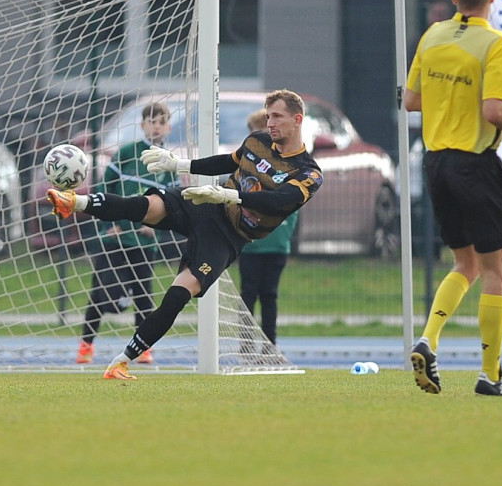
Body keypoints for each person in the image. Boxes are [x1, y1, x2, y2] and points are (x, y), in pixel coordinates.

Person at [47, 89, 322, 380]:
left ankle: (121, 361)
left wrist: (229, 195)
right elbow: (228, 162)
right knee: (147, 206)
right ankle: (74, 202)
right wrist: (179, 165)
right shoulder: (258, 141)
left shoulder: (308, 172)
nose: (270, 123)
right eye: (267, 116)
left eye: (277, 117)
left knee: (178, 295)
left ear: (297, 119)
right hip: (207, 205)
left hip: (228, 237)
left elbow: (279, 201)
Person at [404, 0, 502, 397]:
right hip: (476, 165)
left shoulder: (432, 36)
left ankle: (429, 338)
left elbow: (411, 101)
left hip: (436, 162)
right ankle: (490, 376)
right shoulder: (496, 43)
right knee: (495, 270)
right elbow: (495, 112)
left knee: (464, 265)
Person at [75, 101, 178, 365]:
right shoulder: (127, 154)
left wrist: (155, 225)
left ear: (168, 126)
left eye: (161, 121)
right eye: (151, 121)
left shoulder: (170, 164)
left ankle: (143, 348)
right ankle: (86, 344)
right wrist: (108, 223)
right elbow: (105, 189)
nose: (156, 126)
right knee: (101, 294)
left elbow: (175, 204)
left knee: (144, 296)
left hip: (143, 243)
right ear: (142, 125)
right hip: (115, 239)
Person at [237, 108, 298, 350]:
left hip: (276, 244)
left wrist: (282, 231)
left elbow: (293, 204)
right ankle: (246, 343)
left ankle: (269, 344)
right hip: (251, 245)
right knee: (248, 293)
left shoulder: (286, 165)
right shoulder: (245, 165)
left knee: (270, 295)